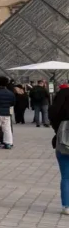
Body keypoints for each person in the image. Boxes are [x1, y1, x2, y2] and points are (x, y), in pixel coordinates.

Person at [49, 82, 69, 215]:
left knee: (66, 176)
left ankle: (66, 206)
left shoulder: (62, 96)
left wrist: (58, 131)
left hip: (63, 141)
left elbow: (53, 116)